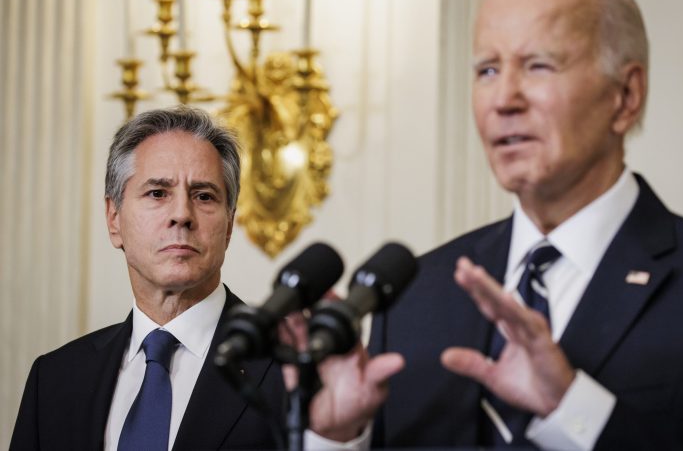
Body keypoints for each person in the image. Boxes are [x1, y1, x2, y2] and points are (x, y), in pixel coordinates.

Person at [367, 0, 683, 450]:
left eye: (539, 65)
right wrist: (335, 438)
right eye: (488, 70)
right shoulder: (414, 296)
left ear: (626, 96)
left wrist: (572, 409)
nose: (504, 99)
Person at [10, 106, 403, 450]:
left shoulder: (295, 368)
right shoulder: (56, 379)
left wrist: (330, 441)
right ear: (114, 219)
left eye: (204, 196)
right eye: (157, 193)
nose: (182, 214)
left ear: (229, 225)